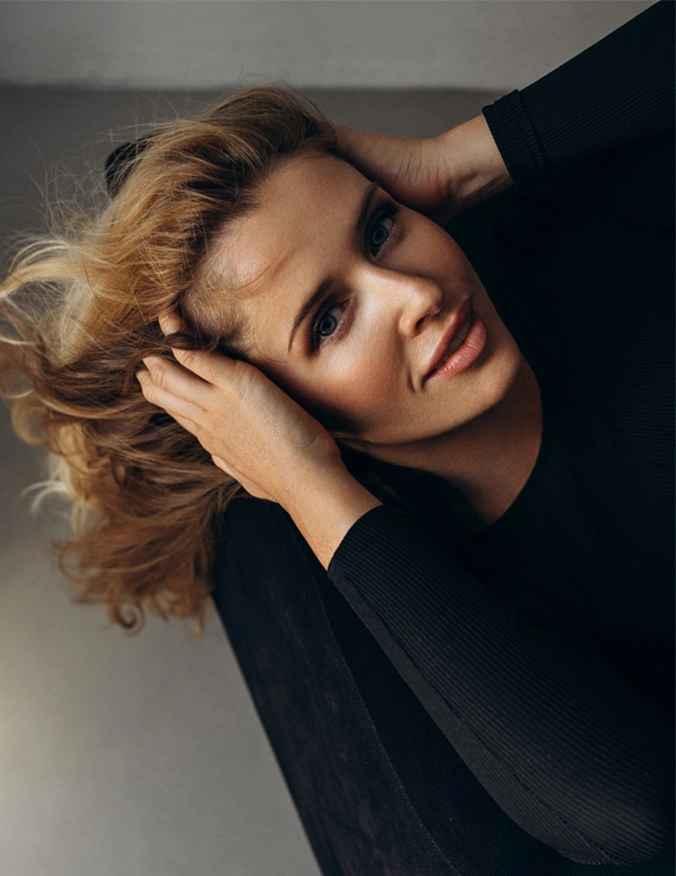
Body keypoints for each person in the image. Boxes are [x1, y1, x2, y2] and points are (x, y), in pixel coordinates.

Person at [0, 1, 672, 873]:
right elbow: (631, 813)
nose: (415, 294)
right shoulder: (461, 591)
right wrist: (309, 486)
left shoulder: (568, 233)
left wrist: (460, 159)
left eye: (381, 226)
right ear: (271, 410)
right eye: (327, 321)